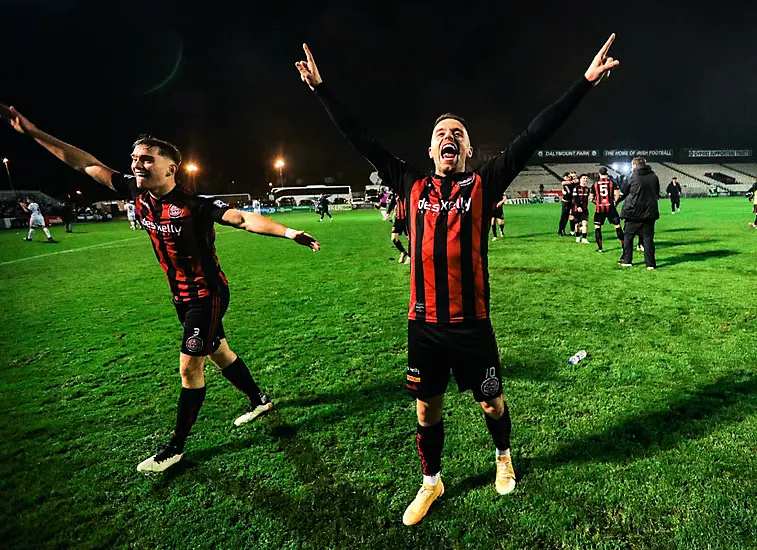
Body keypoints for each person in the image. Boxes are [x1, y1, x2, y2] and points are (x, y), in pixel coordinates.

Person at [296, 35, 618, 525]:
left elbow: (535, 133)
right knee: (427, 410)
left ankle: (503, 458)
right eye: (442, 132)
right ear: (431, 149)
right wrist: (321, 89)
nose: (450, 137)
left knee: (492, 403)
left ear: (468, 149)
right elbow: (360, 137)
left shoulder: (485, 183)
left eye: (459, 133)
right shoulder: (409, 182)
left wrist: (586, 82)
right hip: (424, 324)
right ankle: (431, 482)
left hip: (472, 324)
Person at [1, 105, 320, 473]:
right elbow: (83, 163)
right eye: (134, 158)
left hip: (207, 294)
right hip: (181, 298)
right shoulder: (134, 192)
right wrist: (35, 133)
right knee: (219, 351)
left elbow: (244, 218)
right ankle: (258, 399)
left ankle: (175, 448)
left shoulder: (193, 205)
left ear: (171, 168)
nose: (137, 164)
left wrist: (289, 232)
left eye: (147, 159)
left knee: (189, 368)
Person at [619, 156, 659, 269]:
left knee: (628, 237)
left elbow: (624, 190)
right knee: (648, 239)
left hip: (633, 212)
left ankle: (627, 260)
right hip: (649, 212)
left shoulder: (632, 176)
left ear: (635, 165)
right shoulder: (653, 176)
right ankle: (650, 264)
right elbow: (656, 192)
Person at [589, 167, 623, 253]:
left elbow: (591, 198)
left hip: (599, 209)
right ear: (607, 173)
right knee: (617, 226)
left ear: (599, 174)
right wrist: (615, 202)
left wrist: (596, 202)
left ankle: (600, 248)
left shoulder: (595, 184)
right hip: (610, 208)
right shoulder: (612, 182)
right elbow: (617, 194)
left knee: (597, 228)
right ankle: (624, 245)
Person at [387, 191, 411, 264]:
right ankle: (403, 252)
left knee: (410, 239)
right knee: (394, 238)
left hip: (408, 219)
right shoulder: (396, 192)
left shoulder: (408, 190)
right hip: (398, 218)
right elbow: (393, 202)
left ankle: (410, 257)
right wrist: (388, 212)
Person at [572, 174, 591, 244]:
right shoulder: (576, 188)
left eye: (586, 178)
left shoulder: (587, 189)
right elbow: (574, 198)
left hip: (585, 209)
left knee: (585, 223)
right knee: (576, 224)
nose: (585, 180)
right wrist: (578, 206)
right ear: (580, 179)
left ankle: (584, 238)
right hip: (576, 209)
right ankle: (577, 236)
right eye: (584, 178)